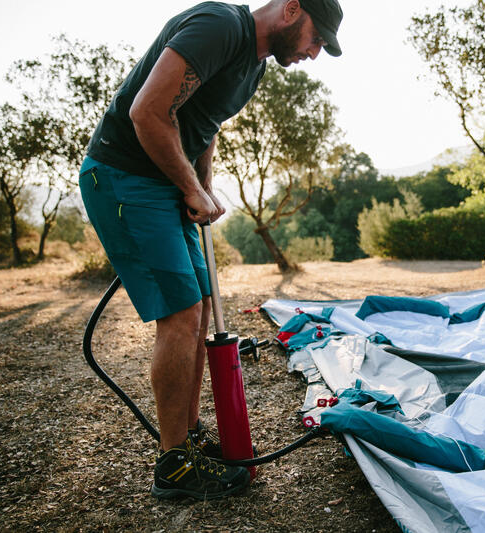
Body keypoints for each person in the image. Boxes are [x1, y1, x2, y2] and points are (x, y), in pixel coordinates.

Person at [78, 0, 343, 501]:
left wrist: (204, 185)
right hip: (125, 176)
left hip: (166, 185)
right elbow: (148, 111)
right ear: (291, 9)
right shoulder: (219, 25)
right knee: (181, 313)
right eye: (316, 38)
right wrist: (190, 187)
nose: (315, 51)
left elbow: (206, 122)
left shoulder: (255, 64)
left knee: (199, 311)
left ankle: (191, 438)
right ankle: (173, 465)